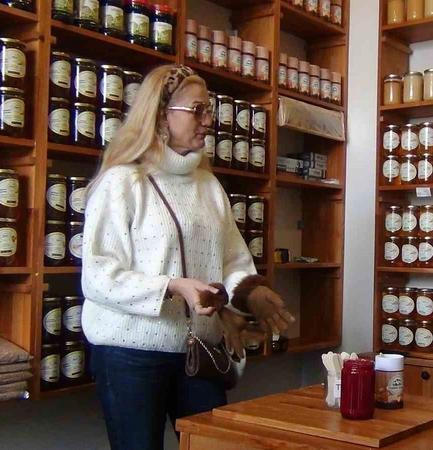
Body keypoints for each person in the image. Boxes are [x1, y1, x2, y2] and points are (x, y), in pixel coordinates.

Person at [81, 65, 295, 450]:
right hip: (130, 355)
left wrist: (250, 292)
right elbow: (98, 277)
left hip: (200, 350)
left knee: (212, 445)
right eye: (198, 110)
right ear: (163, 114)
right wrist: (172, 286)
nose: (208, 121)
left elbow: (232, 260)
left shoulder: (208, 185)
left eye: (209, 110)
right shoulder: (121, 181)